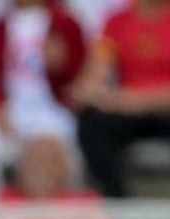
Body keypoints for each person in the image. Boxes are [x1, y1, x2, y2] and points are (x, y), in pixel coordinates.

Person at [0, 0, 87, 202]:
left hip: (53, 113)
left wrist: (62, 65)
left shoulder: (66, 24)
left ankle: (58, 217)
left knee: (52, 157)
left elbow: (80, 74)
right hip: (8, 111)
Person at [71, 0, 170, 198]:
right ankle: (117, 202)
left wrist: (132, 101)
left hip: (162, 111)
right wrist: (91, 90)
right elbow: (98, 69)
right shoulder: (116, 21)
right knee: (92, 124)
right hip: (128, 113)